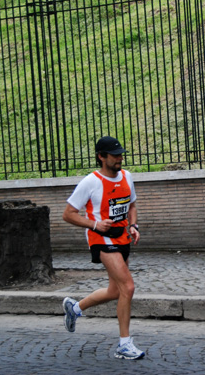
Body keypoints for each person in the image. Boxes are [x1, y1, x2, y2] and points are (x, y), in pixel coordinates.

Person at [61, 136, 145, 360]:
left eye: (120, 154)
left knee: (115, 291)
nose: (120, 158)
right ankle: (124, 345)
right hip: (101, 239)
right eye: (114, 155)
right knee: (128, 287)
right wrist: (94, 224)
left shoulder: (127, 176)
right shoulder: (91, 182)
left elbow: (132, 205)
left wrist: (133, 225)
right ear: (101, 157)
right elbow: (68, 214)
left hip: (122, 238)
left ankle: (75, 308)